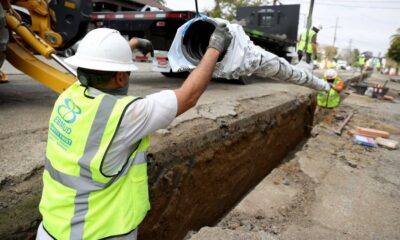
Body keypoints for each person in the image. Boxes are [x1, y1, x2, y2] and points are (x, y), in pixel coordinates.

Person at [36, 25, 232, 239]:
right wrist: (215, 48)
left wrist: (131, 45)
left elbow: (95, 67)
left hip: (51, 229)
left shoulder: (69, 95)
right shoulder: (125, 115)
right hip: (99, 232)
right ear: (120, 77)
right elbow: (188, 96)